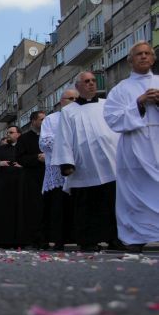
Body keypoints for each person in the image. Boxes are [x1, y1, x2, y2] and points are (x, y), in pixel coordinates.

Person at [52, 71, 119, 252]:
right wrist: (66, 163)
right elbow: (64, 137)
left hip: (110, 162)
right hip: (84, 166)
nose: (91, 84)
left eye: (93, 81)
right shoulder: (68, 111)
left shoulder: (108, 105)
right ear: (78, 87)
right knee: (86, 206)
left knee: (112, 203)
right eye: (86, 81)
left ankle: (115, 238)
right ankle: (88, 240)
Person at [103, 41, 159, 251]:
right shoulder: (120, 89)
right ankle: (135, 238)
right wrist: (139, 103)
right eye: (138, 54)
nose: (143, 57)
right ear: (130, 61)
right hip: (134, 146)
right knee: (134, 194)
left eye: (147, 53)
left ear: (153, 58)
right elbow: (112, 118)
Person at [39, 89, 76, 251]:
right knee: (59, 207)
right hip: (58, 169)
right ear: (61, 101)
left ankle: (85, 239)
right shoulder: (51, 119)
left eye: (76, 98)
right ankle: (59, 239)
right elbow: (45, 142)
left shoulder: (82, 116)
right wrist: (68, 141)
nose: (73, 101)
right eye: (70, 98)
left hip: (82, 168)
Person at [0, 125, 23, 248]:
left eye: (11, 132)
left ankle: (20, 241)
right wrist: (0, 163)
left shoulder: (24, 148)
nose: (8, 134)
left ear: (18, 134)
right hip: (2, 188)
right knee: (2, 215)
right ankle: (1, 241)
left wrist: (22, 165)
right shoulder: (0, 150)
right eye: (7, 132)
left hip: (20, 187)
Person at [16, 111, 47, 249]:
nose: (44, 122)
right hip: (33, 178)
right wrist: (37, 158)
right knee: (35, 209)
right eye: (42, 119)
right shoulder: (24, 139)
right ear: (33, 121)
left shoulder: (49, 135)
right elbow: (20, 158)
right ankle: (36, 239)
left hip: (49, 176)